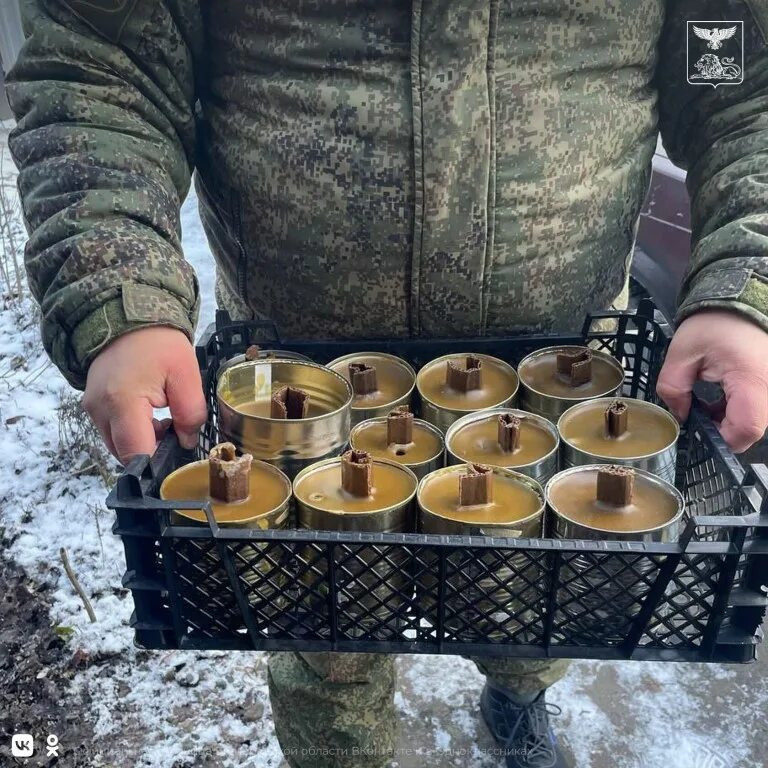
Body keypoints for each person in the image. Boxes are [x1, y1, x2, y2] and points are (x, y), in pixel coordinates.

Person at [7, 1, 768, 766]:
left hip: (562, 368)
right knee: (316, 611)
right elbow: (103, 69)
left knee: (534, 576)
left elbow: (738, 81)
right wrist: (119, 293)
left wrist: (744, 285)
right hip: (292, 383)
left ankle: (520, 687)